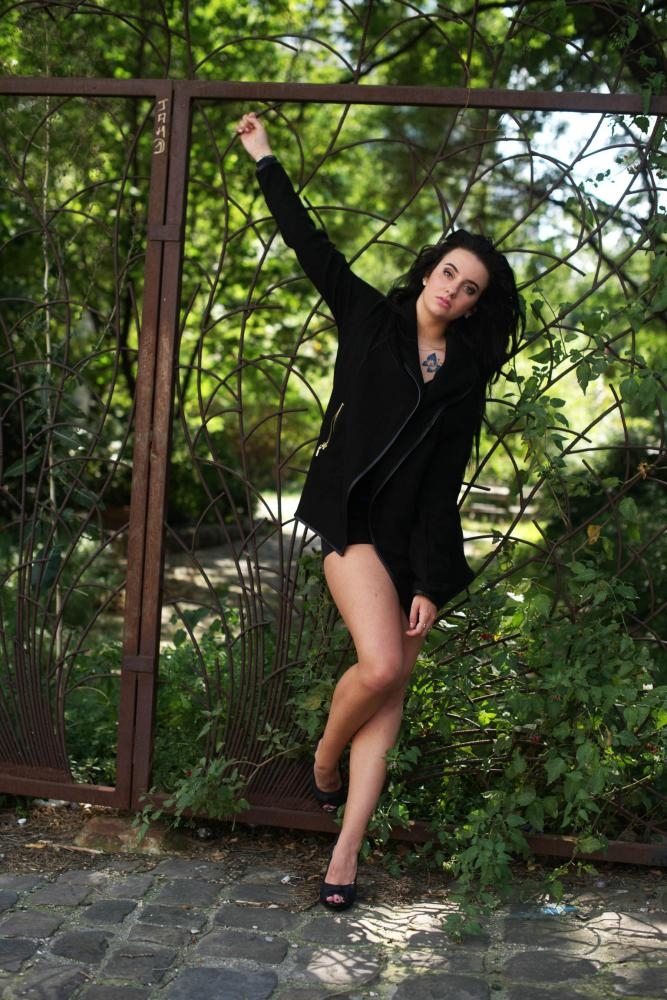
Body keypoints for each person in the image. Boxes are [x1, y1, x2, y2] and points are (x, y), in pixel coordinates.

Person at [236, 110, 524, 911]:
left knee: (389, 696)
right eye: (448, 272)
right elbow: (310, 244)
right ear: (429, 268)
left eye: (469, 288)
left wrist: (430, 580)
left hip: (408, 543)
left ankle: (345, 852)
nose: (452, 289)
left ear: (473, 305)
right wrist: (264, 157)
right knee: (383, 667)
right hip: (351, 523)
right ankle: (324, 760)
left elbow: (442, 483)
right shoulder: (368, 319)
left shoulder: (462, 378)